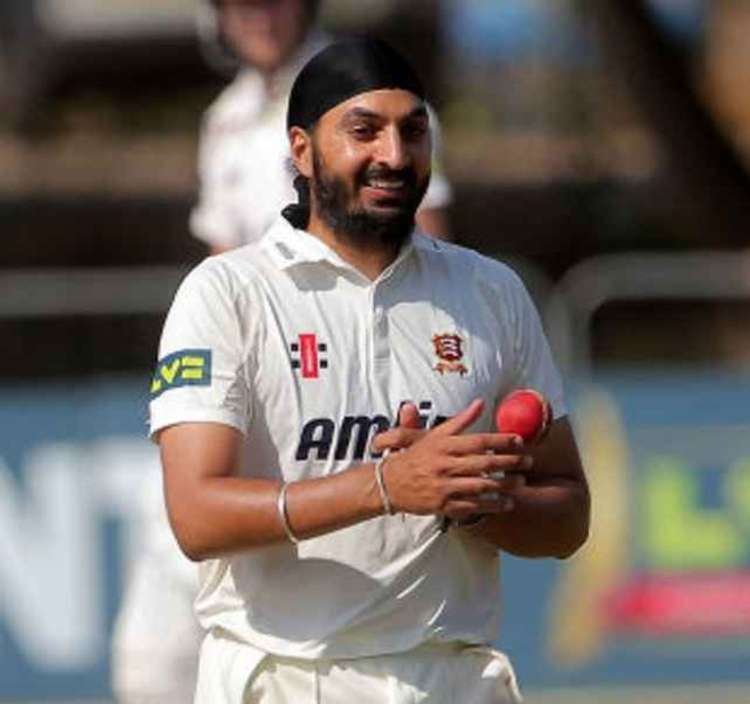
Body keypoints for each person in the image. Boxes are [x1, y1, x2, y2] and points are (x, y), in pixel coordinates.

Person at [150, 37, 590, 703]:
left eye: (414, 132)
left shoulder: (490, 292)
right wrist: (387, 485)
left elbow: (570, 514)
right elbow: (196, 516)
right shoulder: (227, 293)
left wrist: (471, 500)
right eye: (365, 130)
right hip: (287, 676)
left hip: (453, 676)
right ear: (301, 150)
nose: (393, 155)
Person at [191, 0, 453, 255]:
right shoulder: (223, 119)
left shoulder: (374, 90)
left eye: (275, 3)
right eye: (246, 6)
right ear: (220, 14)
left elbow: (426, 237)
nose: (263, 21)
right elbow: (224, 253)